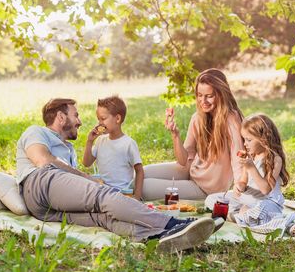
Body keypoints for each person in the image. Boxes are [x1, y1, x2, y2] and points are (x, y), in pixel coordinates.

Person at [16, 98, 222, 252]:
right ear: (61, 117)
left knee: (103, 218)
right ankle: (173, 224)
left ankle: (163, 237)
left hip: (45, 209)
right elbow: (42, 160)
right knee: (103, 195)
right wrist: (88, 178)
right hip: (40, 183)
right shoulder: (36, 131)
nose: (79, 121)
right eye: (75, 115)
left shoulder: (68, 149)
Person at [142, 69, 244, 200]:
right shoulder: (198, 118)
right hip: (190, 171)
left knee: (143, 187)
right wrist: (175, 135)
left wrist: (240, 187)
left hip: (205, 189)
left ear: (221, 94)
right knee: (140, 174)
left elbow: (239, 159)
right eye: (200, 95)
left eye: (209, 96)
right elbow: (183, 161)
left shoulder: (231, 119)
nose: (203, 101)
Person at [230, 113, 295, 236]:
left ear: (264, 139)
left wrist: (251, 167)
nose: (245, 144)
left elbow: (266, 189)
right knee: (215, 199)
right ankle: (246, 217)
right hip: (252, 200)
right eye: (244, 139)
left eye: (249, 140)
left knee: (259, 208)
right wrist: (239, 186)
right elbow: (243, 181)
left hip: (269, 203)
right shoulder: (251, 156)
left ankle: (286, 225)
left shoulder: (275, 159)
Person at [82, 96, 144, 200]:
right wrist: (89, 141)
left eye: (103, 118)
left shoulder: (128, 144)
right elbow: (86, 163)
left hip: (122, 193)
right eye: (98, 119)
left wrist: (137, 197)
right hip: (102, 192)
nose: (99, 123)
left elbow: (139, 171)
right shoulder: (100, 141)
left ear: (118, 119)